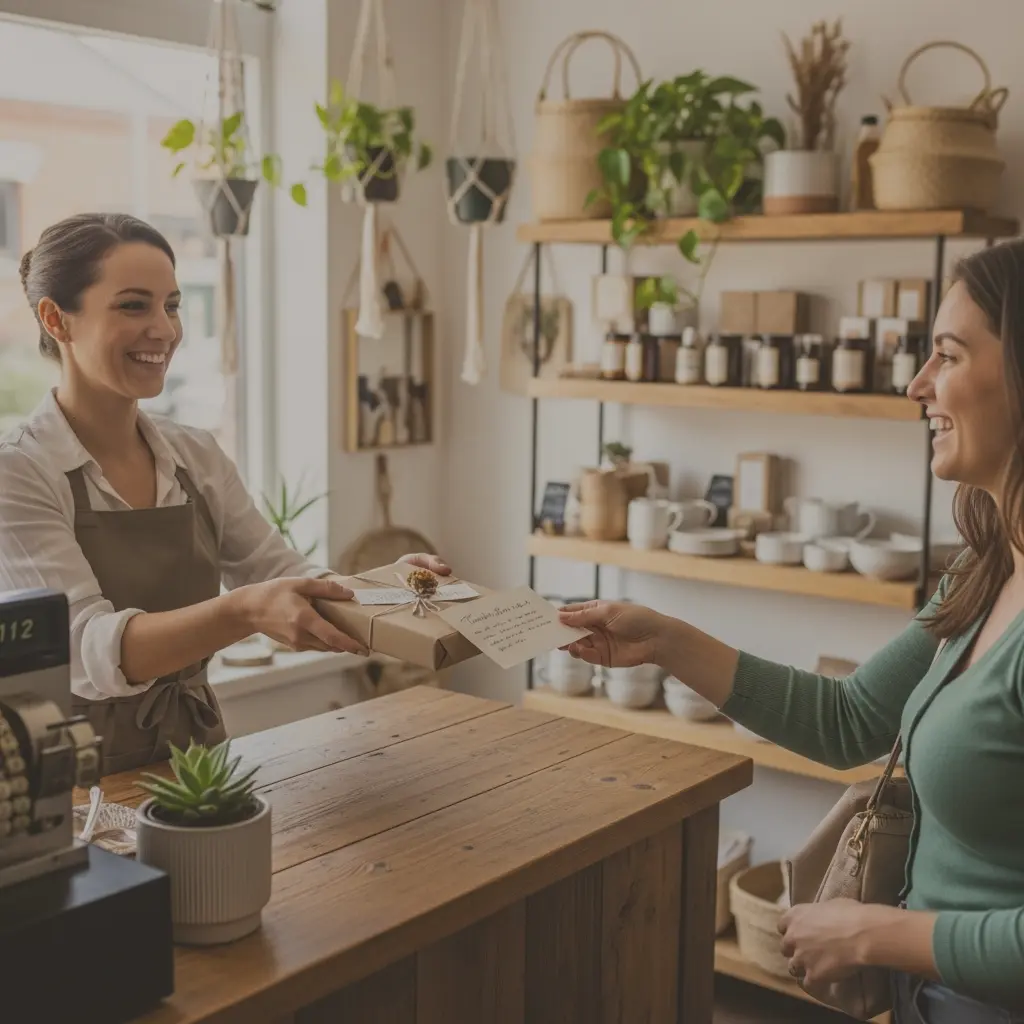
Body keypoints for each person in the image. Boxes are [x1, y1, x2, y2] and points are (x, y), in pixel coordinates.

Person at [559, 238, 1024, 1023]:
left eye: (947, 355)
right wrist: (663, 640)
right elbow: (848, 720)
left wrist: (877, 934)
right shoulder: (983, 575)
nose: (917, 384)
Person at [0, 212, 448, 775]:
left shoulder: (194, 454)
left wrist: (389, 590)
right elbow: (87, 649)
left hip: (199, 759)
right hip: (72, 776)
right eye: (133, 306)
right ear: (56, 319)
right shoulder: (20, 471)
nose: (165, 330)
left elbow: (278, 571)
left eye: (172, 306)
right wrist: (246, 610)